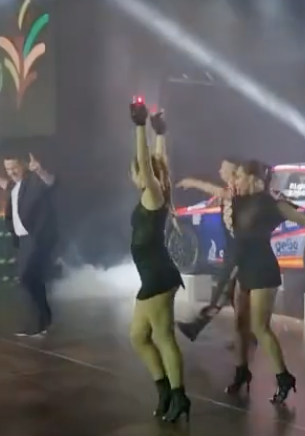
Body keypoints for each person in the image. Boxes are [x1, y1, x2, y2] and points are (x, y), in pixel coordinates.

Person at [228, 159, 305, 403]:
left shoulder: (270, 203)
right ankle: (241, 372)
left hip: (262, 270)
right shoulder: (237, 201)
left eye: (239, 176)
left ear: (253, 178)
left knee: (260, 327)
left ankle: (284, 377)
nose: (235, 181)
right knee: (239, 324)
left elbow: (304, 221)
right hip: (243, 268)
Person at [128, 100, 189, 423]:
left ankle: (179, 397)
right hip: (154, 275)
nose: (132, 173)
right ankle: (165, 391)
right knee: (138, 336)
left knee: (163, 337)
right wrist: (160, 133)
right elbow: (159, 162)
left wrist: (140, 128)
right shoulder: (154, 192)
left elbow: (148, 163)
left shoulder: (152, 194)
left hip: (158, 276)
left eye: (135, 169)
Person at [0, 153, 57, 336]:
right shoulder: (15, 186)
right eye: (8, 169)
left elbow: (51, 183)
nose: (11, 172)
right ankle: (43, 320)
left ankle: (38, 322)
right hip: (22, 241)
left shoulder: (33, 183)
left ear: (24, 166)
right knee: (34, 280)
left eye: (14, 168)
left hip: (36, 239)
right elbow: (5, 184)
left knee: (26, 278)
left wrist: (40, 171)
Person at [175, 157, 242, 341]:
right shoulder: (230, 192)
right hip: (232, 252)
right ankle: (245, 338)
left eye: (223, 168)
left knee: (221, 294)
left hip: (238, 254)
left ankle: (197, 327)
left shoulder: (238, 192)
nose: (220, 171)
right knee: (232, 297)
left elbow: (219, 192)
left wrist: (193, 183)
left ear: (233, 172)